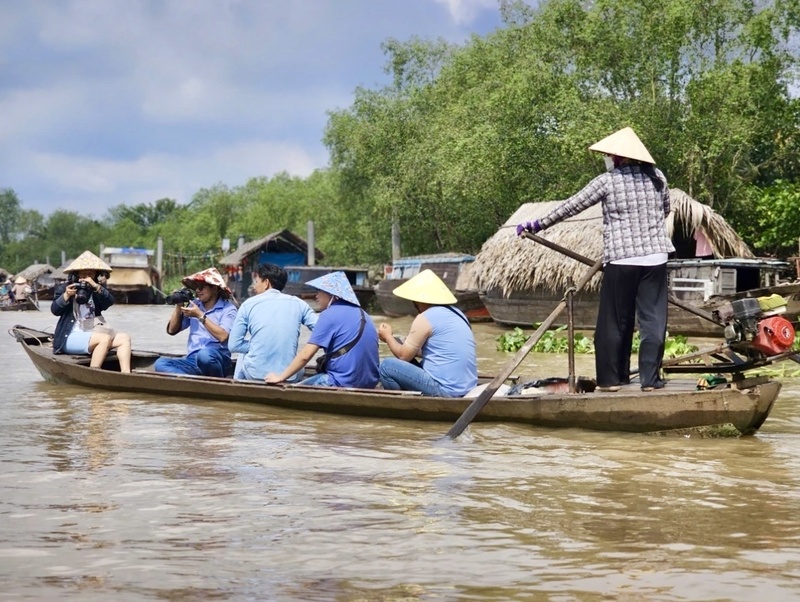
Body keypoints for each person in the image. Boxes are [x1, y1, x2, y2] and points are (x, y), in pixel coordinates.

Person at [516, 126, 673, 392]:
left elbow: (572, 205)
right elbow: (666, 209)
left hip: (623, 259)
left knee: (614, 321)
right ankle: (650, 381)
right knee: (653, 321)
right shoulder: (657, 177)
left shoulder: (607, 181)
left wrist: (538, 224)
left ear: (618, 157)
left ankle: (612, 381)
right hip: (655, 258)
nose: (607, 159)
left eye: (609, 155)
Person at [265, 271, 379, 388]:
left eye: (320, 292)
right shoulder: (364, 314)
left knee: (295, 387)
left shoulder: (329, 315)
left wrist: (280, 377)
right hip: (370, 381)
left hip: (342, 381)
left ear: (332, 295)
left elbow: (305, 355)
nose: (316, 296)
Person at [377, 269, 478, 397]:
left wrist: (388, 336)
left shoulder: (425, 317)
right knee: (408, 361)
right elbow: (439, 351)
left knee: (387, 366)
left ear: (421, 300)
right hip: (468, 387)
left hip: (445, 389)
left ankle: (404, 406)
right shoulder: (459, 314)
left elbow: (403, 356)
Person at [228, 263, 318, 381]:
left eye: (256, 282)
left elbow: (234, 345)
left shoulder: (248, 304)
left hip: (255, 375)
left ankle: (237, 387)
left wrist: (257, 345)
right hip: (291, 376)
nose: (254, 287)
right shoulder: (299, 303)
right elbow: (321, 329)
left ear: (266, 283)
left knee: (243, 353)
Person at [50, 250, 132, 373]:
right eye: (83, 274)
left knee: (125, 338)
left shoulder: (96, 289)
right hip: (70, 336)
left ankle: (126, 374)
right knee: (104, 339)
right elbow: (55, 310)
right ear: (76, 274)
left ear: (95, 275)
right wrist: (66, 296)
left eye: (90, 274)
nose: (86, 277)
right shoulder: (65, 288)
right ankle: (94, 373)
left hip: (92, 332)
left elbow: (109, 302)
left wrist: (96, 287)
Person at [154, 267, 238, 377]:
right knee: (161, 363)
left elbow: (223, 336)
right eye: (197, 287)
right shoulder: (195, 305)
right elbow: (172, 330)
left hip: (216, 359)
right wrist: (179, 305)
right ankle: (191, 382)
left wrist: (200, 316)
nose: (198, 291)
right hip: (193, 360)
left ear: (214, 289)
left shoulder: (228, 309)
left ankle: (212, 382)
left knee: (204, 356)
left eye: (202, 287)